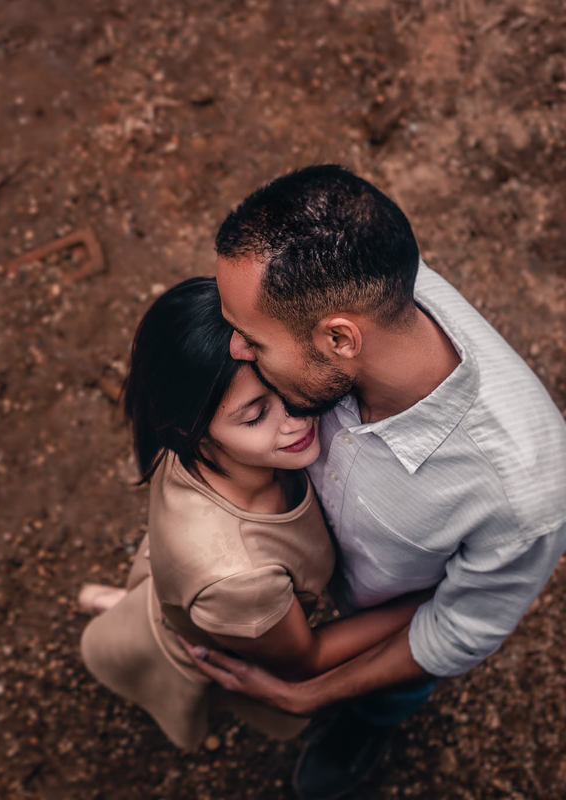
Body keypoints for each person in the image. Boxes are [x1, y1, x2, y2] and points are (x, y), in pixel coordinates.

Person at [178, 164, 566, 800]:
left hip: (384, 619)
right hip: (307, 569)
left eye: (252, 340)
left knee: (393, 693)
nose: (237, 352)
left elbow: (456, 628)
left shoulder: (522, 495)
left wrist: (310, 693)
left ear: (339, 339)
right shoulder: (363, 292)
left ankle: (367, 723)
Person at [77, 276, 429, 752]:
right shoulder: (240, 579)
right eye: (255, 416)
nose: (297, 415)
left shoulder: (190, 434)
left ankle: (139, 606)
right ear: (195, 433)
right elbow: (304, 659)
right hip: (232, 619)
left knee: (168, 600)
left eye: (289, 382)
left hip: (207, 595)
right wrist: (431, 602)